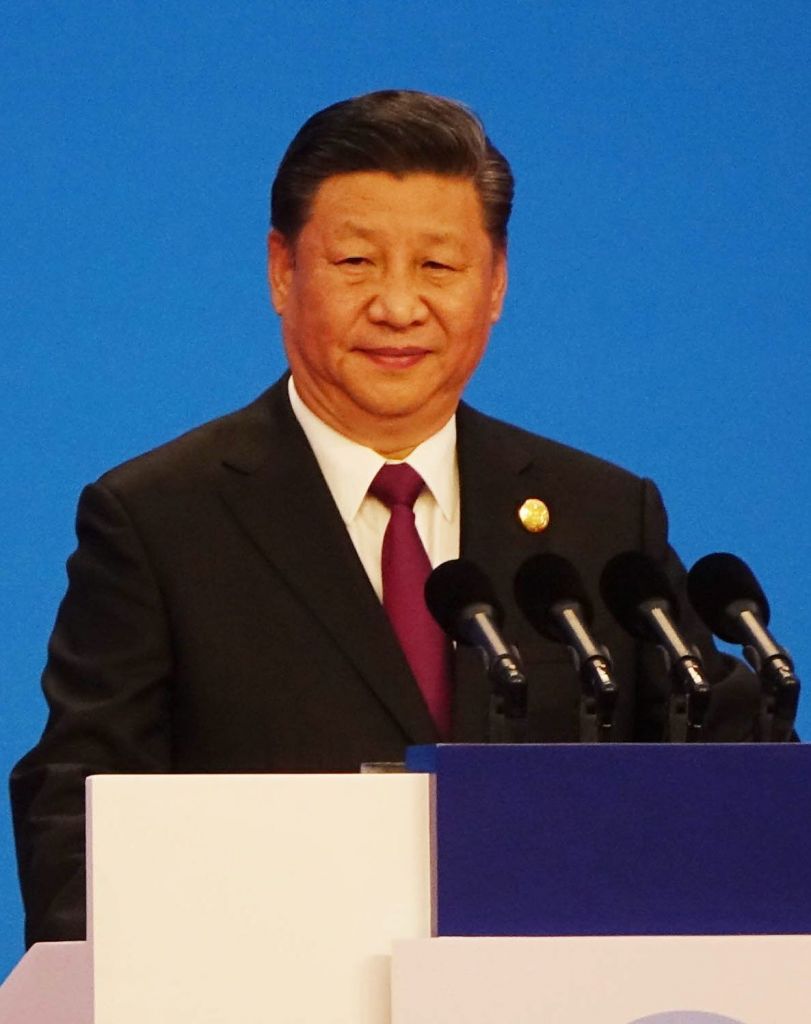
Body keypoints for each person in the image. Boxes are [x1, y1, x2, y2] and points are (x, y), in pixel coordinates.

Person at [10, 90, 759, 947]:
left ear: (495, 283)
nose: (398, 306)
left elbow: (727, 774)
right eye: (356, 262)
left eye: (437, 266)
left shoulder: (601, 517)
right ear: (282, 272)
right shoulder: (159, 519)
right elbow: (80, 807)